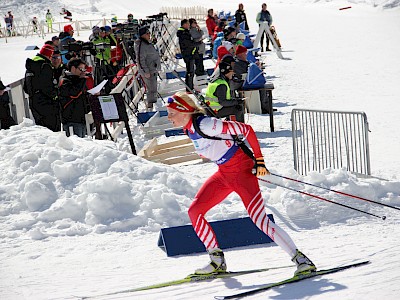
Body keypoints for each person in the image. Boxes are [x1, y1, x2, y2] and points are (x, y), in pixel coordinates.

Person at [166, 91, 317, 276]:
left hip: (242, 173)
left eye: (171, 113)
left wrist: (260, 161)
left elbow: (247, 130)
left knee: (260, 220)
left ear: (184, 111)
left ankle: (301, 260)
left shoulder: (206, 124)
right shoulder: (188, 129)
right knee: (194, 211)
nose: (169, 117)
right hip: (224, 174)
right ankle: (216, 261)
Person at [24, 44, 60, 132]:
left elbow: (25, 87)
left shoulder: (31, 65)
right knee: (53, 130)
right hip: (46, 103)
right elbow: (47, 86)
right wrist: (55, 96)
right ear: (49, 55)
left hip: (33, 101)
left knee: (42, 130)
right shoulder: (45, 66)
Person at [205, 57, 244, 122]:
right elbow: (223, 102)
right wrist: (237, 102)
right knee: (238, 108)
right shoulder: (221, 85)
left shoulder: (217, 80)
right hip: (215, 110)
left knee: (235, 105)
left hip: (211, 108)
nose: (233, 73)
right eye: (232, 72)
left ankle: (231, 122)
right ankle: (239, 127)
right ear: (226, 72)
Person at [59, 59, 90, 137]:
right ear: (73, 68)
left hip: (82, 118)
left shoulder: (78, 80)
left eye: (84, 69)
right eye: (81, 69)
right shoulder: (65, 81)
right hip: (71, 119)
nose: (83, 72)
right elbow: (74, 93)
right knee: (76, 144)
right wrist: (82, 79)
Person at [134, 26, 161, 111]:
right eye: (147, 33)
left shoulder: (147, 43)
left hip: (153, 69)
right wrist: (145, 71)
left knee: (154, 88)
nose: (149, 35)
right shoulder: (141, 45)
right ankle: (150, 107)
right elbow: (140, 60)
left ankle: (154, 104)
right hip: (148, 71)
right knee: (151, 90)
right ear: (143, 35)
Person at [177, 19, 199, 92]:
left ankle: (190, 86)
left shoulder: (185, 32)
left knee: (191, 71)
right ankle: (189, 88)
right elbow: (188, 43)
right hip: (188, 54)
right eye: (187, 24)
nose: (189, 25)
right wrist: (197, 43)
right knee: (190, 71)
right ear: (184, 24)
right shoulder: (183, 33)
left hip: (190, 53)